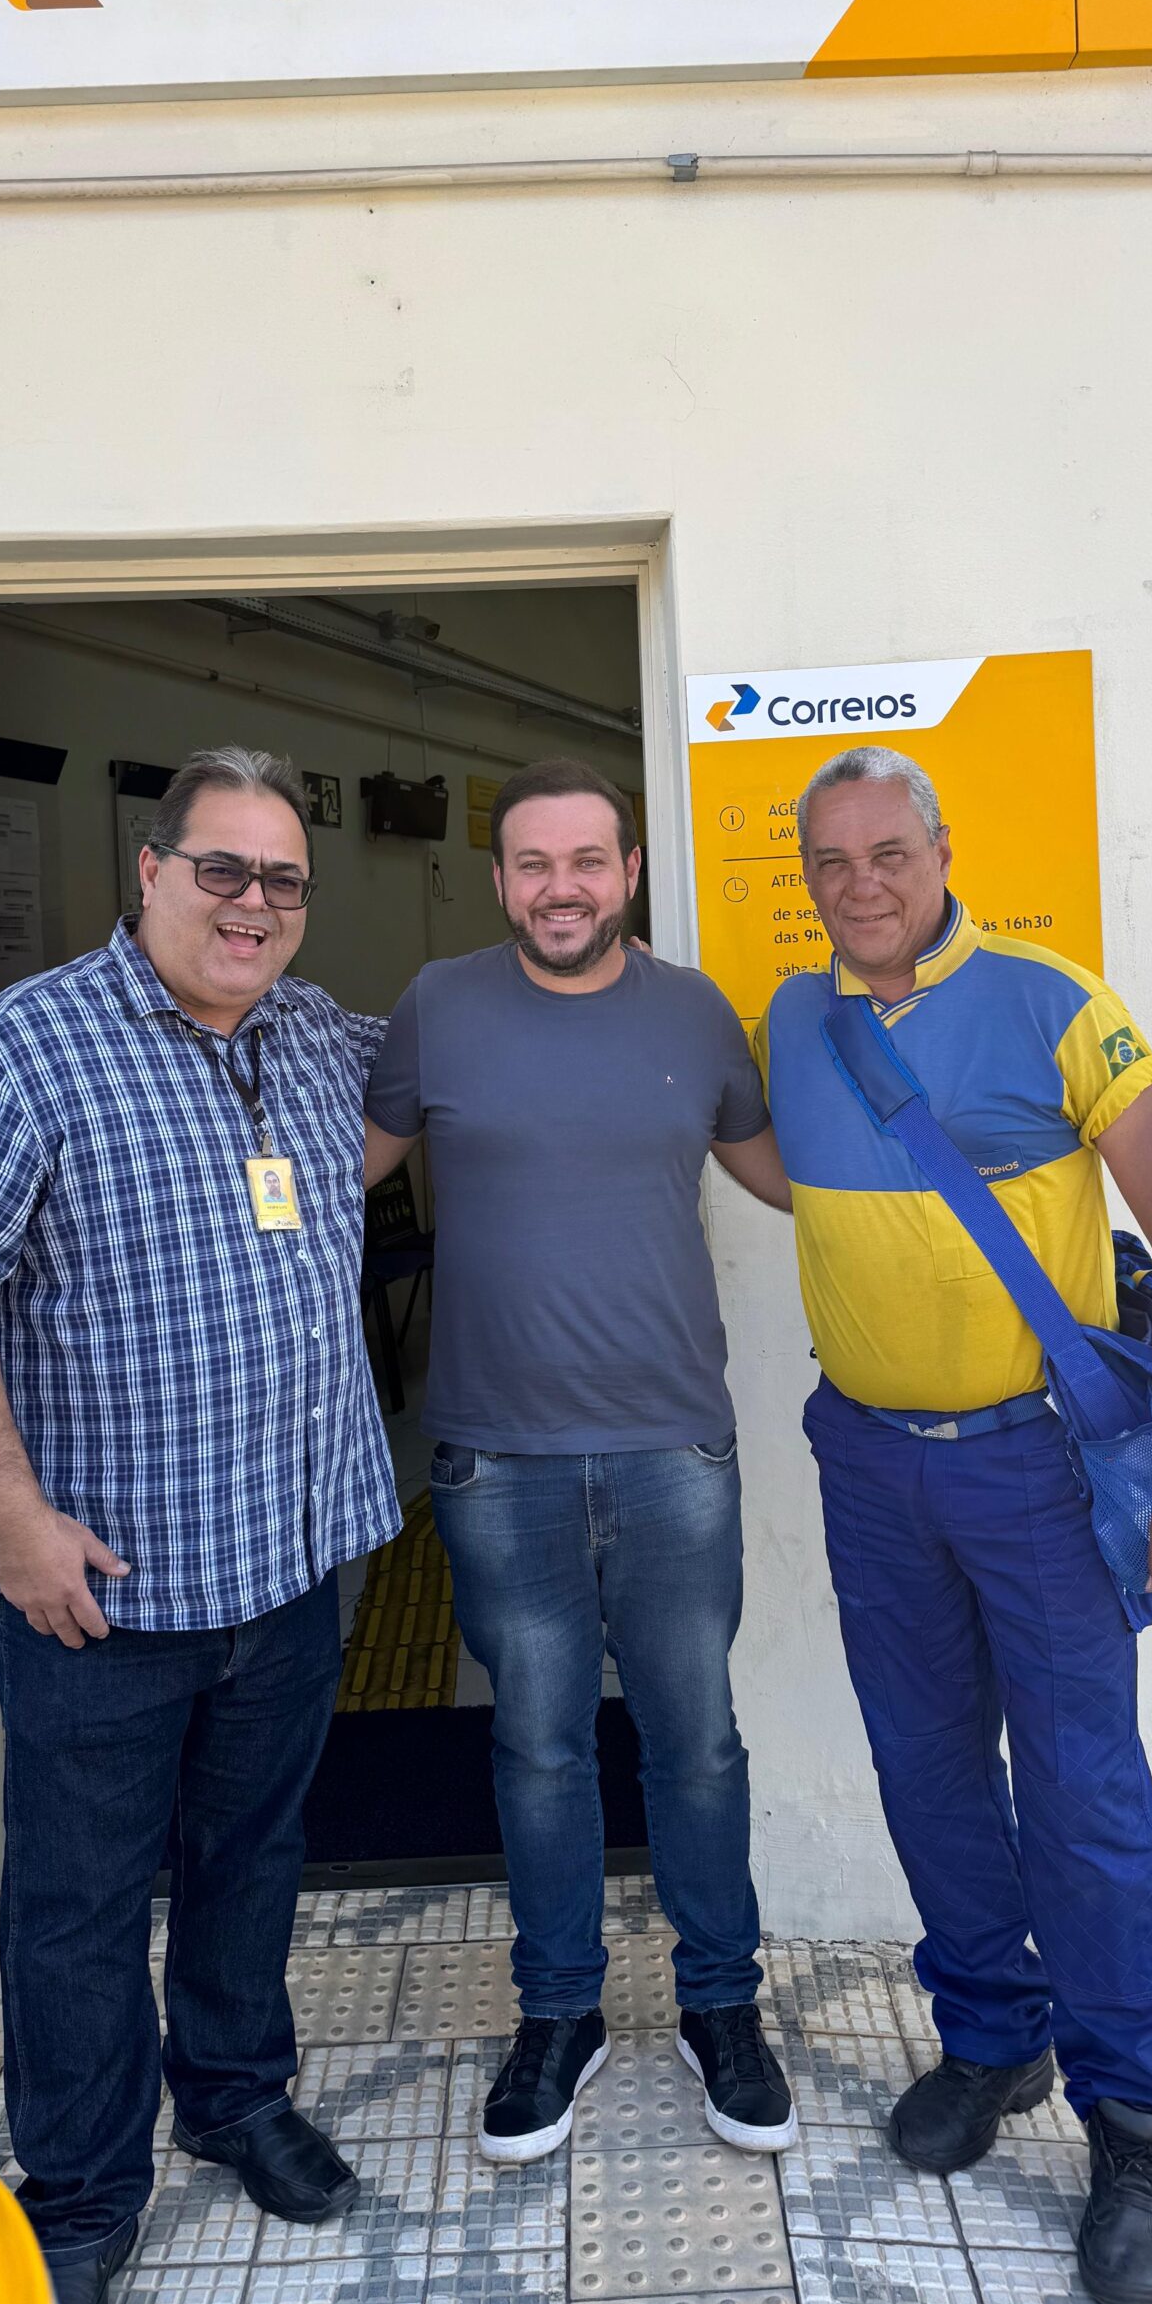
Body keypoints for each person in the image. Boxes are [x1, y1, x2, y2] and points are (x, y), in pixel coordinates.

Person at [0, 746, 398, 2304]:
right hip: (100, 1591)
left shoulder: (318, 1039)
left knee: (252, 1856)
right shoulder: (19, 1053)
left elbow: (472, 1061)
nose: (253, 903)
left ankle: (234, 2097)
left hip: (293, 1559)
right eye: (222, 869)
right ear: (149, 872)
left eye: (283, 879)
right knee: (80, 1907)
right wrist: (12, 1522)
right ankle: (82, 2199)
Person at [756, 744, 1152, 2304]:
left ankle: (1136, 2118)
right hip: (867, 1461)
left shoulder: (1053, 1001)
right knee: (928, 1766)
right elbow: (798, 1176)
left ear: (942, 848)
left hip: (1037, 1467)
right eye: (832, 863)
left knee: (1082, 1788)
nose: (862, 886)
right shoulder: (794, 1020)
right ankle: (991, 2035)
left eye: (888, 853)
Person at [363, 758, 799, 2165]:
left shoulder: (697, 1013)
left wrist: (967, 1171)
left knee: (697, 1747)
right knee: (538, 1750)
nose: (563, 888)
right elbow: (336, 1172)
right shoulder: (438, 1007)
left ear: (630, 874)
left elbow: (787, 1173)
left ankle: (720, 2005)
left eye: (588, 861)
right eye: (535, 863)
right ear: (501, 880)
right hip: (498, 1462)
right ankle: (559, 2014)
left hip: (673, 1447)